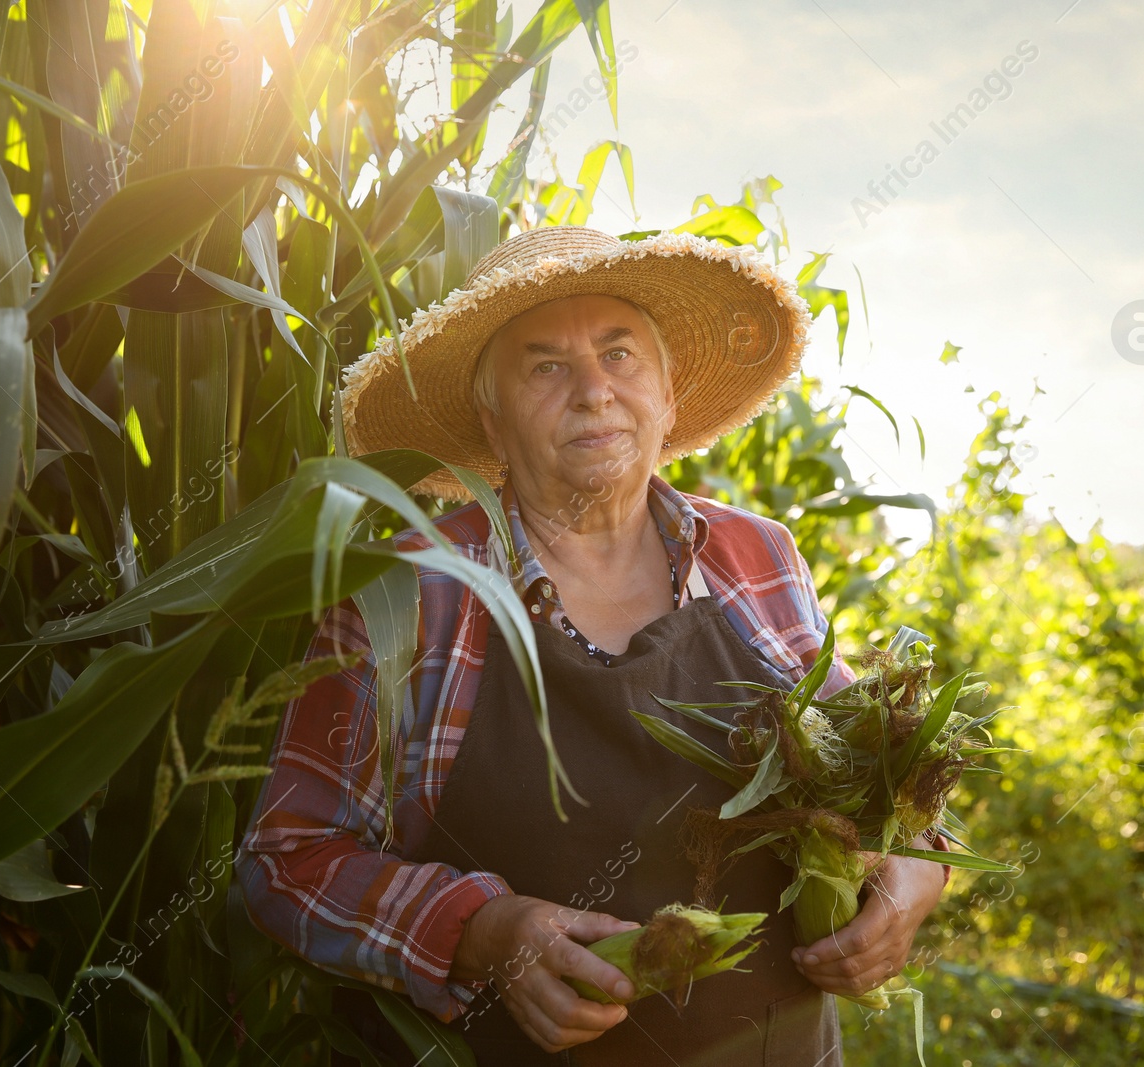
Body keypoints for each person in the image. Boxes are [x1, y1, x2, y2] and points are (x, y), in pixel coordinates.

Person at [236, 226, 952, 1065]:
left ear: (669, 395)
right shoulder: (409, 593)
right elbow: (285, 862)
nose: (593, 392)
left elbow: (875, 778)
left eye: (620, 355)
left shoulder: (757, 556)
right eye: (546, 367)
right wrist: (484, 931)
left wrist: (915, 875)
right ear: (491, 421)